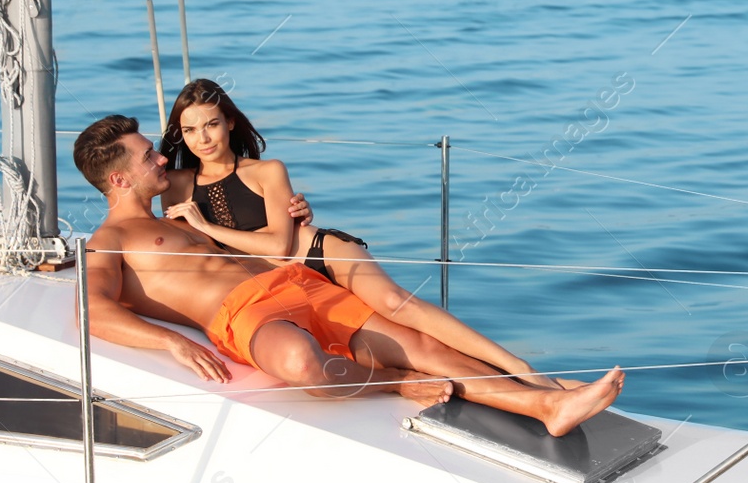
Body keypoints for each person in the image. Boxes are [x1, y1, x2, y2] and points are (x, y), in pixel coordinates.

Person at [73, 114, 623, 437]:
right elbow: (94, 311)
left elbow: (242, 190)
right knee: (302, 366)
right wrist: (171, 342)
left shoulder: (177, 208)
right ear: (119, 179)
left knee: (421, 345)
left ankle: (546, 403)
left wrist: (297, 214)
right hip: (243, 315)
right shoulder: (110, 240)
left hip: (294, 282)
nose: (162, 161)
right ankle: (398, 385)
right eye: (149, 158)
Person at [158, 78, 577, 389]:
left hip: (322, 254)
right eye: (191, 130)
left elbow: (280, 246)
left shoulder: (267, 170)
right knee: (400, 341)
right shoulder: (176, 184)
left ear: (230, 122)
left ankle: (524, 370)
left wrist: (205, 225)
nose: (202, 138)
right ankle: (498, 387)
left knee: (400, 305)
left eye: (211, 124)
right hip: (278, 283)